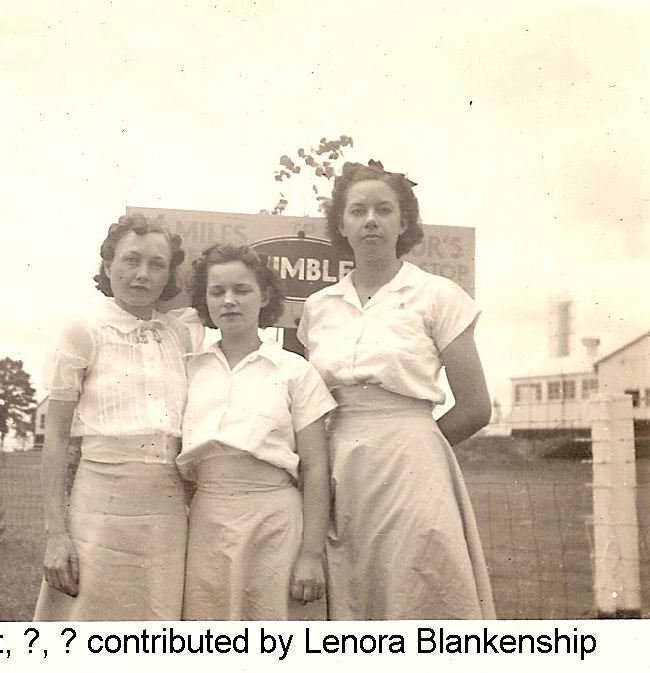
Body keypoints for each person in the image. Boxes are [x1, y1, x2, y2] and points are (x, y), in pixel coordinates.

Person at [298, 160, 496, 620]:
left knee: (414, 590)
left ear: (403, 223)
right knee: (350, 592)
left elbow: (476, 408)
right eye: (358, 210)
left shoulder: (437, 294)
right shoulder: (318, 307)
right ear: (341, 225)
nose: (371, 220)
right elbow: (307, 401)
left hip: (413, 467)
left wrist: (414, 447)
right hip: (337, 467)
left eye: (384, 210)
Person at [33, 213, 195, 621]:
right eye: (131, 260)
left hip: (166, 507)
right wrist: (56, 534)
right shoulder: (83, 331)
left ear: (168, 275)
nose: (142, 274)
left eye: (156, 264)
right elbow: (56, 439)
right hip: (100, 503)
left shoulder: (179, 334)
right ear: (108, 266)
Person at [177, 244, 336, 620]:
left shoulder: (295, 371)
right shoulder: (189, 369)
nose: (229, 301)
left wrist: (311, 554)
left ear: (264, 296)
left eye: (242, 290)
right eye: (217, 291)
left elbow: (316, 468)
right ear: (205, 300)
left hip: (274, 521)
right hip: (207, 519)